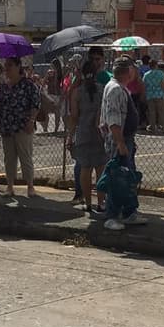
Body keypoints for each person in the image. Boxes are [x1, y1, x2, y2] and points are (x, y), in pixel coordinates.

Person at [99, 56, 144, 229]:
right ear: (128, 71)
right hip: (119, 140)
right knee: (117, 178)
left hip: (125, 139)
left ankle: (129, 212)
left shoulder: (120, 88)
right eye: (133, 69)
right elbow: (114, 119)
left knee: (126, 177)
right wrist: (120, 142)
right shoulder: (116, 89)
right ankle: (112, 216)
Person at [0, 56, 41, 199]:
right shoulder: (2, 86)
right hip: (6, 126)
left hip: (23, 126)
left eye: (9, 65)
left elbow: (35, 104)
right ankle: (9, 186)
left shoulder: (28, 85)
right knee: (9, 158)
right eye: (5, 66)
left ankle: (30, 186)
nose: (6, 69)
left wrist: (31, 120)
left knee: (25, 156)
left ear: (18, 67)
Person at [68, 60, 109, 216]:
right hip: (100, 134)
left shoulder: (77, 92)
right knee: (100, 169)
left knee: (85, 169)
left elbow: (74, 116)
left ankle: (87, 202)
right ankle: (101, 202)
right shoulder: (102, 90)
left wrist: (70, 136)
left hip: (83, 133)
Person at [143, 57, 164, 132]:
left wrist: (144, 95)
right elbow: (163, 84)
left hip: (150, 94)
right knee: (161, 112)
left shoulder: (146, 74)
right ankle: (163, 127)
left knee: (152, 112)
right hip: (159, 94)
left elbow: (144, 85)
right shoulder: (160, 73)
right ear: (156, 65)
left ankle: (153, 127)